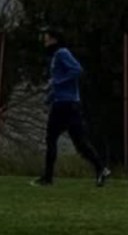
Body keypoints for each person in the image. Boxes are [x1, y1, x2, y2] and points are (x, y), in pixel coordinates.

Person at [33, 27, 111, 189]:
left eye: (46, 39)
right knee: (57, 139)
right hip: (60, 103)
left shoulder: (62, 53)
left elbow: (77, 70)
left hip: (68, 105)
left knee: (74, 141)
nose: (44, 42)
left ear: (54, 40)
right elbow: (58, 83)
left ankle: (100, 168)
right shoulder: (55, 57)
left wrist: (58, 81)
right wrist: (50, 97)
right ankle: (49, 177)